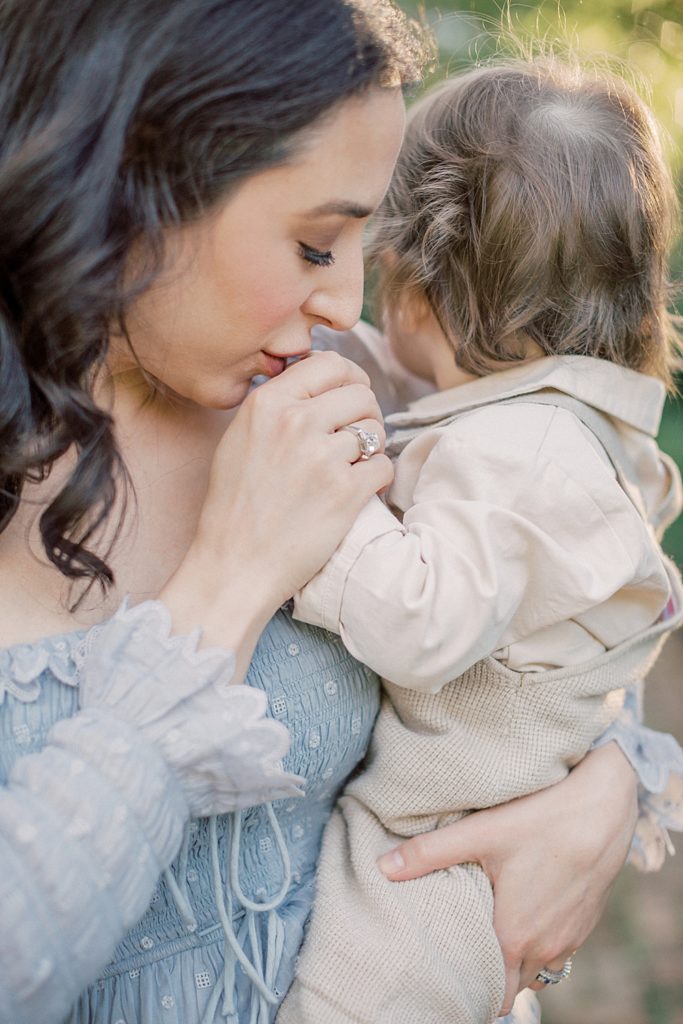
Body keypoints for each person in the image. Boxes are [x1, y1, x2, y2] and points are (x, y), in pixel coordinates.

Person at [0, 3, 670, 1022]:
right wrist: (229, 582)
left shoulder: (331, 383)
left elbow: (546, 591)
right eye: (315, 245)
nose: (346, 302)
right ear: (136, 184)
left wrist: (607, 787)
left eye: (364, 238)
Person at [278, 56, 683, 1024]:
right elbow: (413, 390)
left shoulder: (524, 454)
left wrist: (310, 505)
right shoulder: (542, 418)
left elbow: (420, 619)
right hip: (460, 850)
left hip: (437, 868)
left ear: (417, 288)